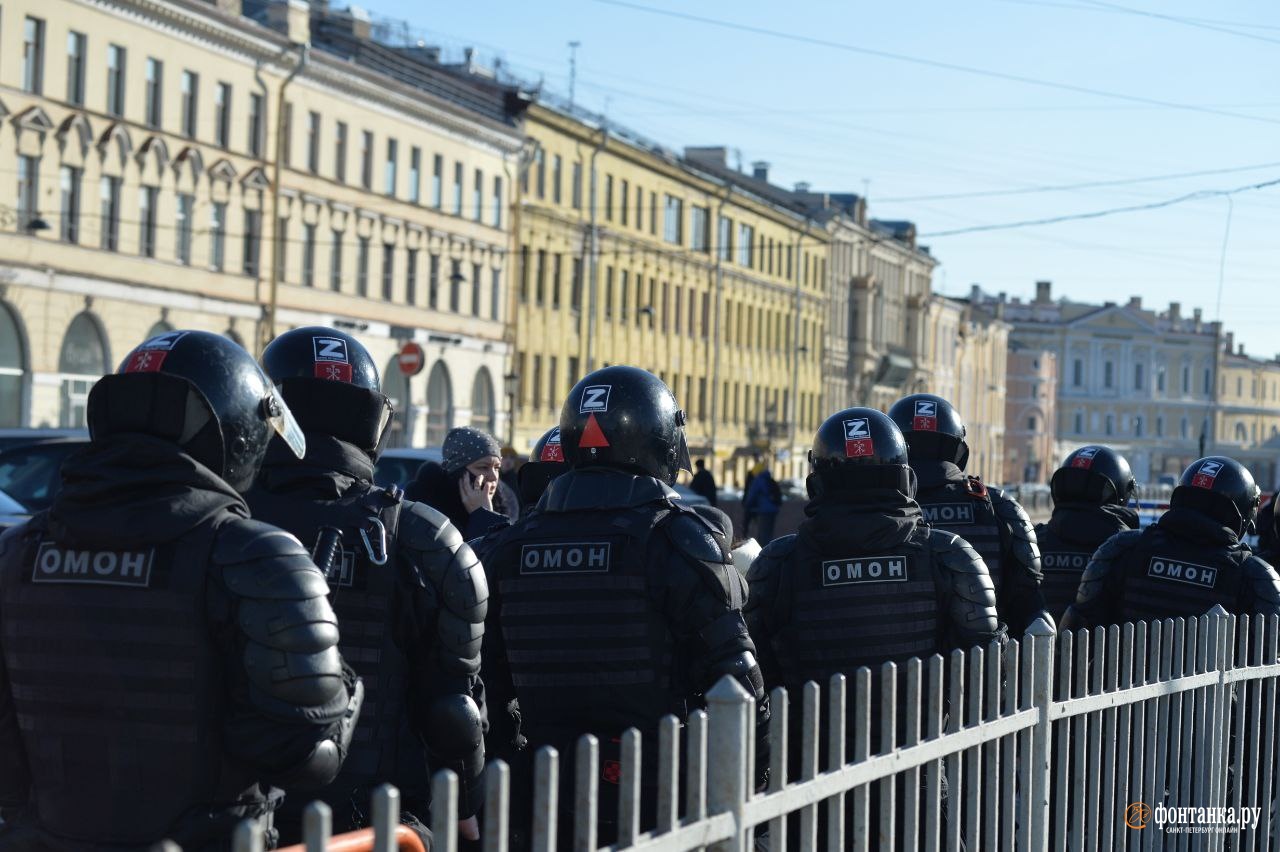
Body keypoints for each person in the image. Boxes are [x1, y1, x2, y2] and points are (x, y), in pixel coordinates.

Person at [0, 330, 362, 850]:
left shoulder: (17, 551)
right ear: (241, 432)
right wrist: (346, 690)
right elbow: (305, 756)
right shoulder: (253, 554)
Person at [476, 366, 769, 843]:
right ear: (659, 440)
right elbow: (739, 678)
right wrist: (751, 787)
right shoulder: (676, 539)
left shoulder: (510, 548)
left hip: (545, 800)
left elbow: (484, 685)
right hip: (659, 801)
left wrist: (513, 778)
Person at [245, 327, 488, 847]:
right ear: (372, 419)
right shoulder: (421, 537)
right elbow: (453, 709)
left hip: (237, 815)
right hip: (371, 824)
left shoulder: (221, 522)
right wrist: (466, 808)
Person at [745, 407, 1003, 848]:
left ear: (817, 479)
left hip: (810, 783)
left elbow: (751, 683)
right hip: (916, 778)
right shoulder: (948, 555)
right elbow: (988, 676)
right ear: (904, 477)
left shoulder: (778, 562)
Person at [888, 393, 1049, 636]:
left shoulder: (878, 513)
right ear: (959, 448)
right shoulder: (999, 507)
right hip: (985, 665)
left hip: (900, 665)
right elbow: (1028, 603)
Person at [1061, 456, 1280, 630]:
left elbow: (1075, 635)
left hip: (1121, 685)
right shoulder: (1254, 576)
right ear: (1242, 513)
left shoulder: (1123, 549)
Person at [1034, 446, 1140, 619]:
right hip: (1104, 645)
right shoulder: (1131, 550)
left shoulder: (1035, 541)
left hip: (1033, 644)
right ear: (1123, 492)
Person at [405, 426, 510, 539]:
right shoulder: (428, 516)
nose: (493, 477)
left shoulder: (506, 506)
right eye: (483, 467)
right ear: (459, 472)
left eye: (497, 468)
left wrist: (486, 515)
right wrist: (483, 518)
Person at [744, 466, 782, 544]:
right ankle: (770, 548)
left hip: (763, 510)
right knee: (769, 532)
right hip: (773, 509)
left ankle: (764, 552)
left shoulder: (758, 480)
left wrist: (747, 505)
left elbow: (751, 494)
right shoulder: (769, 479)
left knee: (762, 533)